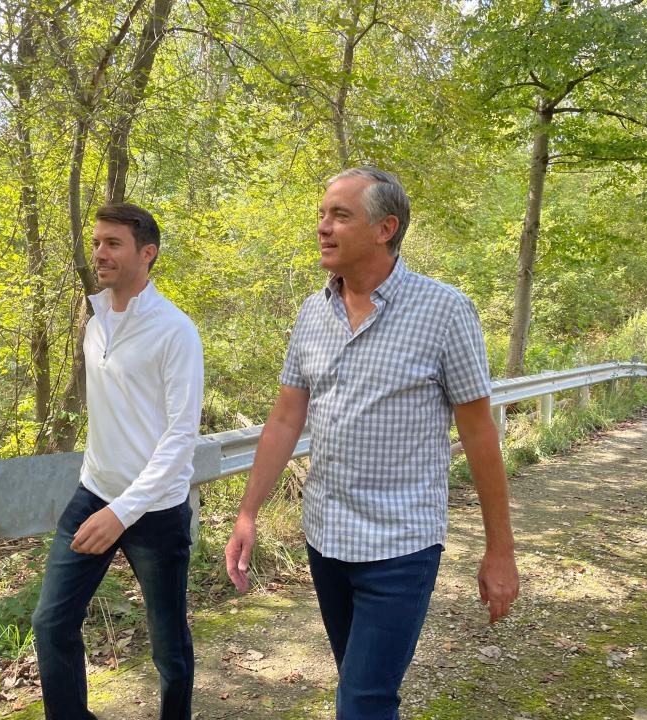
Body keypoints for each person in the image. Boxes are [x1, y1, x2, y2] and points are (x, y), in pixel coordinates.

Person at [224, 166, 519, 719]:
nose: (323, 227)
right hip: (326, 537)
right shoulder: (314, 312)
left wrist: (499, 549)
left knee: (361, 700)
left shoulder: (445, 310)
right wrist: (248, 512)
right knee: (362, 686)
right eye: (321, 214)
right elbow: (287, 418)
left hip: (401, 544)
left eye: (339, 215)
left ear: (386, 228)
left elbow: (480, 436)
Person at [32, 203, 203, 720]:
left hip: (154, 510)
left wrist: (122, 512)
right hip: (93, 493)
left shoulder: (175, 331)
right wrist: (102, 502)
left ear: (146, 254)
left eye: (113, 243)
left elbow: (180, 439)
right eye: (98, 242)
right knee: (51, 623)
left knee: (167, 648)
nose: (99, 253)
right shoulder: (94, 319)